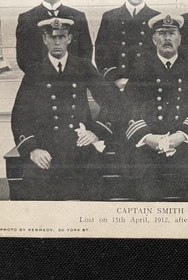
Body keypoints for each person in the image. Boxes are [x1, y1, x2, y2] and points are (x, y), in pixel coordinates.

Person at [11, 17, 121, 201]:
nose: (57, 42)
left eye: (61, 37)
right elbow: (20, 115)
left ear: (69, 39)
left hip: (80, 147)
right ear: (44, 39)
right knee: (33, 190)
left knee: (95, 192)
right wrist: (33, 149)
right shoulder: (34, 72)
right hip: (47, 148)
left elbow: (113, 101)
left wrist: (96, 131)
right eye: (52, 37)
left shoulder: (83, 66)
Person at [123, 14, 188, 201]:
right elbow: (129, 105)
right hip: (148, 144)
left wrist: (181, 135)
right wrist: (147, 137)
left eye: (172, 33)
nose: (167, 38)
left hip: (182, 142)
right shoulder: (141, 67)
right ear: (154, 39)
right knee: (144, 186)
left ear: (179, 38)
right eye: (162, 33)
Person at [16, 0, 93, 72]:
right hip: (40, 82)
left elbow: (86, 53)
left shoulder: (78, 17)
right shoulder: (26, 18)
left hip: (72, 81)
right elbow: (23, 58)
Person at [95, 0, 160, 90]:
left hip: (146, 86)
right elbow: (101, 53)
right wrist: (114, 78)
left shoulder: (156, 18)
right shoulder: (110, 17)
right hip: (116, 84)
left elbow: (158, 55)